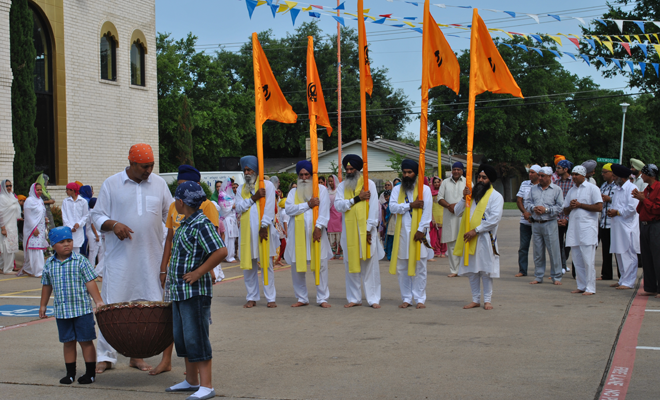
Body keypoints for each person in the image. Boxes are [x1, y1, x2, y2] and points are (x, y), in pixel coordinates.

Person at [91, 143, 173, 373]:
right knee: (112, 307)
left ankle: (137, 356)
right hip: (120, 261)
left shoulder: (158, 184)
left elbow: (170, 215)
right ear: (131, 164)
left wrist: (168, 247)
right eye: (144, 166)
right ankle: (106, 357)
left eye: (151, 166)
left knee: (148, 309)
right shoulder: (112, 183)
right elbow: (96, 215)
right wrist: (113, 224)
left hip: (152, 259)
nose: (148, 170)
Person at [152, 164, 219, 376]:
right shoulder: (181, 216)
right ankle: (189, 377)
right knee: (181, 329)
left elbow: (216, 247)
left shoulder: (202, 217)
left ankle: (202, 380)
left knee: (196, 330)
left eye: (181, 188)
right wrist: (164, 269)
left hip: (194, 284)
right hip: (179, 282)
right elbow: (170, 240)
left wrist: (204, 270)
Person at [163, 182, 226, 400]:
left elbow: (220, 251)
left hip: (195, 293)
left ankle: (206, 385)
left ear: (181, 202)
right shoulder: (186, 223)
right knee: (184, 337)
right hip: (180, 292)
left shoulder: (201, 224)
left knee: (197, 336)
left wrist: (199, 272)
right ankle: (191, 380)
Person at [39, 227, 104, 385]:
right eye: (61, 242)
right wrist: (43, 305)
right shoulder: (49, 264)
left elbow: (90, 282)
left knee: (86, 341)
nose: (67, 244)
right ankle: (70, 374)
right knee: (68, 342)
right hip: (62, 312)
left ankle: (90, 374)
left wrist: (98, 301)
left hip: (82, 310)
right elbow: (47, 285)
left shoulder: (80, 260)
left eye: (69, 241)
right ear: (53, 245)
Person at [334, 154, 385, 308]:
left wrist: (370, 230)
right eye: (347, 169)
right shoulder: (342, 186)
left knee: (370, 265)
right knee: (351, 265)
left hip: (366, 232)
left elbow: (374, 209)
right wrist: (356, 199)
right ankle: (354, 298)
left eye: (352, 168)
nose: (349, 171)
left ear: (358, 169)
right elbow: (338, 206)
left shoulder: (369, 184)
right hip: (349, 233)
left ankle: (373, 299)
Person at [453, 165, 504, 310]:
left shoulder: (496, 196)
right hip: (469, 239)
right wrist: (464, 198)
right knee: (472, 270)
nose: (480, 180)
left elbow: (494, 219)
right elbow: (456, 212)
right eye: (479, 177)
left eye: (484, 177)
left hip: (485, 239)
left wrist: (476, 230)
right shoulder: (471, 195)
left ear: (490, 180)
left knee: (485, 271)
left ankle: (487, 300)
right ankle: (475, 299)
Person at [284, 161, 333, 308]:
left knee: (320, 265)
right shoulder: (293, 192)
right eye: (301, 175)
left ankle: (322, 298)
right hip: (296, 236)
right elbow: (289, 210)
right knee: (296, 265)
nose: (304, 177)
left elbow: (324, 211)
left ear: (312, 176)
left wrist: (318, 227)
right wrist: (308, 205)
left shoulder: (321, 190)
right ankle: (301, 298)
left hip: (316, 233)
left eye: (307, 174)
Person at [388, 159, 433, 309]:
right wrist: (410, 205)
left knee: (420, 266)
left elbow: (427, 212)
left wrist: (421, 230)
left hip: (418, 233)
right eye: (404, 172)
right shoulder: (397, 189)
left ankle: (420, 299)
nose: (406, 175)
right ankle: (406, 298)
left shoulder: (425, 190)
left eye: (410, 172)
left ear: (416, 173)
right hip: (402, 233)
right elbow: (392, 207)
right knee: (402, 267)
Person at [235, 156, 278, 308]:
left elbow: (269, 207)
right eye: (244, 170)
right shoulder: (241, 188)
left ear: (256, 170)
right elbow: (239, 208)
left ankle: (270, 298)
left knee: (267, 264)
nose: (246, 172)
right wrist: (254, 198)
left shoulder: (267, 185)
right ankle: (252, 297)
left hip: (263, 231)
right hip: (247, 233)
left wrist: (264, 226)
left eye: (249, 169)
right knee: (249, 266)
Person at [562, 166, 603, 295]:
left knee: (588, 260)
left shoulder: (592, 188)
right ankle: (581, 285)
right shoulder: (571, 190)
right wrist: (571, 206)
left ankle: (591, 288)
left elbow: (599, 207)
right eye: (573, 174)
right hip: (574, 229)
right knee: (577, 260)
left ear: (583, 176)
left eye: (576, 174)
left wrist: (580, 205)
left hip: (587, 229)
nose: (574, 177)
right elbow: (565, 210)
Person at [525, 167, 564, 285]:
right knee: (538, 251)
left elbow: (560, 207)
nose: (540, 178)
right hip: (536, 223)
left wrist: (546, 210)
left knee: (553, 250)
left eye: (542, 176)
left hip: (550, 222)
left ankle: (556, 276)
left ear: (550, 176)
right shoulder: (533, 189)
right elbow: (527, 203)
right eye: (539, 175)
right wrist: (533, 208)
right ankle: (538, 275)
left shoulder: (556, 190)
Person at [608, 164, 641, 290]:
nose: (613, 178)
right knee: (620, 253)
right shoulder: (617, 188)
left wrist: (616, 212)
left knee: (629, 254)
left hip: (628, 228)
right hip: (617, 227)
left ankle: (629, 282)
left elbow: (632, 208)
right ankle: (623, 279)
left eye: (614, 176)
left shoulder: (632, 188)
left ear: (621, 177)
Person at [633, 164, 660, 297]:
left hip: (656, 225)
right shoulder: (647, 189)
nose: (641, 176)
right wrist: (640, 198)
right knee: (647, 257)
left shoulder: (658, 188)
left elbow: (657, 209)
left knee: (657, 257)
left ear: (649, 175)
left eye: (643, 174)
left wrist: (644, 199)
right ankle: (650, 287)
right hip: (644, 224)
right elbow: (639, 209)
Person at [438, 162, 466, 277]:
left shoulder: (467, 182)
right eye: (454, 169)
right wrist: (450, 206)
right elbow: (439, 198)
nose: (456, 171)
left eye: (458, 169)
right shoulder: (445, 182)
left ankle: (464, 270)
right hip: (449, 216)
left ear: (462, 171)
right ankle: (454, 270)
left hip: (463, 217)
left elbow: (472, 198)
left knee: (464, 242)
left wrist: (458, 206)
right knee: (452, 243)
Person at [515, 165, 541, 277]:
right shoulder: (524, 184)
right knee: (523, 247)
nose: (530, 174)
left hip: (538, 221)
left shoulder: (543, 185)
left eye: (533, 172)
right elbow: (519, 200)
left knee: (539, 247)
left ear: (538, 174)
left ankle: (539, 271)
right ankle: (522, 270)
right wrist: (525, 212)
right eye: (529, 172)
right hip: (525, 221)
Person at [19, 183, 49, 277]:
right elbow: (27, 216)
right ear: (33, 190)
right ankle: (38, 271)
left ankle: (29, 269)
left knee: (38, 249)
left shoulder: (40, 200)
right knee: (35, 249)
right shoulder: (29, 200)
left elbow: (42, 212)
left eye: (41, 190)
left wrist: (45, 219)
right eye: (38, 190)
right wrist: (34, 228)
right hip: (32, 229)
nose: (40, 192)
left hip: (40, 227)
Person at [598, 164, 620, 281]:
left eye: (605, 172)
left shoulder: (618, 186)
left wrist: (609, 199)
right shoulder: (604, 185)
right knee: (605, 250)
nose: (603, 174)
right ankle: (606, 274)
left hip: (614, 223)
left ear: (612, 173)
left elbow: (620, 201)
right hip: (604, 222)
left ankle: (622, 276)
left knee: (617, 250)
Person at [553, 159, 574, 275]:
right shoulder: (556, 183)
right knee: (558, 243)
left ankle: (565, 263)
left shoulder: (573, 183)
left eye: (559, 168)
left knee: (569, 243)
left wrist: (567, 219)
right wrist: (558, 219)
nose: (557, 170)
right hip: (558, 218)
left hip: (570, 218)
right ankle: (562, 265)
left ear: (566, 169)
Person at [62, 182, 89, 254]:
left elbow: (86, 215)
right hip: (68, 229)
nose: (66, 191)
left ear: (73, 190)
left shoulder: (83, 201)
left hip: (78, 230)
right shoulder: (65, 201)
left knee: (77, 250)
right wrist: (70, 227)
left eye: (68, 190)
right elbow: (64, 216)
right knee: (67, 249)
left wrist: (79, 223)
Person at [0, 179, 20, 274]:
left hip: (13, 225)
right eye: (6, 186)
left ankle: (8, 267)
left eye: (10, 186)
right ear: (3, 187)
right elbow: (0, 214)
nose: (8, 188)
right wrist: (3, 228)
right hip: (6, 226)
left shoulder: (12, 196)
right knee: (6, 247)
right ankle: (7, 269)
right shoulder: (2, 198)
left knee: (11, 246)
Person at [216, 181, 238, 263]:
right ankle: (228, 256)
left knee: (232, 238)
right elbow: (224, 208)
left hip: (232, 219)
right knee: (228, 238)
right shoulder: (222, 195)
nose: (232, 187)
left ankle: (230, 255)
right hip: (227, 219)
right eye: (231, 186)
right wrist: (234, 206)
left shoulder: (230, 195)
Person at [327, 174, 343, 260]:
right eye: (329, 181)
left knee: (340, 235)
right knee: (331, 235)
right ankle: (332, 253)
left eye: (331, 181)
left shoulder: (339, 191)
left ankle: (341, 253)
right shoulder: (327, 191)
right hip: (331, 215)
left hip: (339, 215)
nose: (330, 183)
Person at [430, 176, 447, 258]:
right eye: (435, 182)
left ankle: (443, 251)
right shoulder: (430, 194)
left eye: (438, 182)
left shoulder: (444, 193)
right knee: (435, 236)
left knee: (443, 235)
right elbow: (430, 207)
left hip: (443, 216)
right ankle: (437, 251)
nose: (437, 183)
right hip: (434, 217)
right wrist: (432, 218)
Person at [86, 198, 103, 273]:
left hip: (97, 235)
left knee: (99, 253)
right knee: (93, 253)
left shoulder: (91, 211)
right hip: (94, 235)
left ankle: (98, 270)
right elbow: (93, 225)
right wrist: (96, 235)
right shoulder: (92, 212)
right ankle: (91, 270)